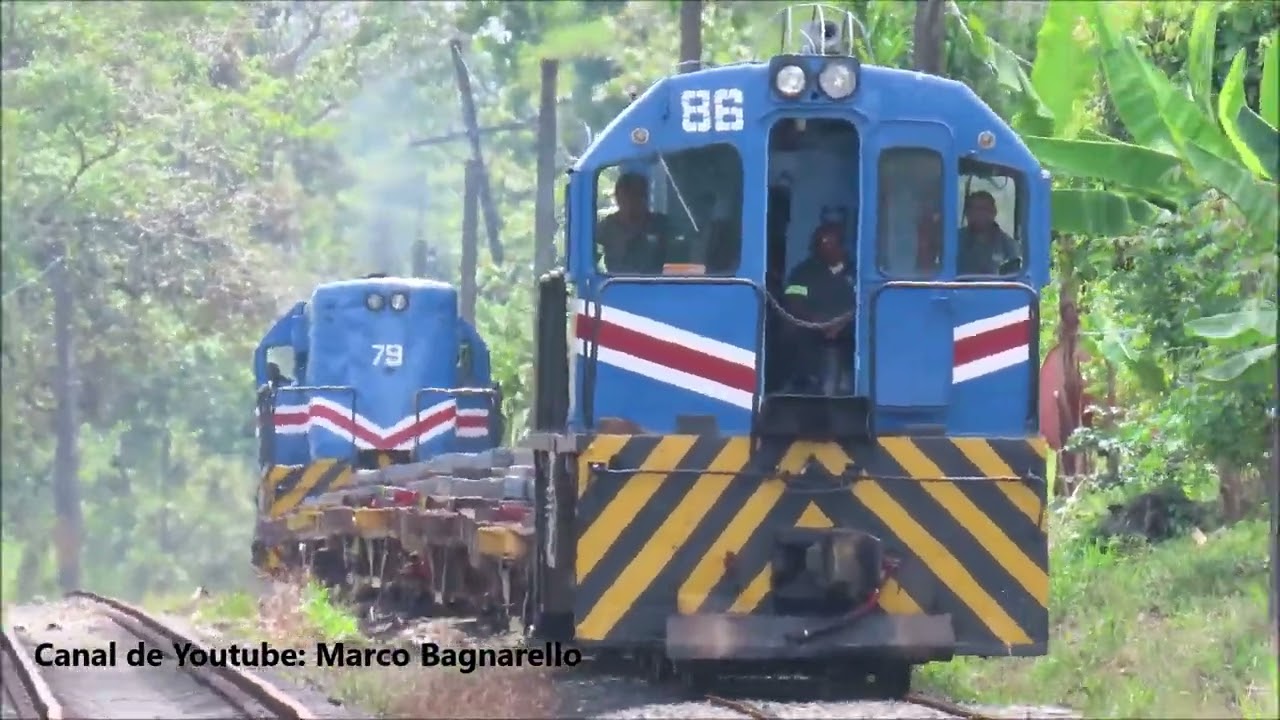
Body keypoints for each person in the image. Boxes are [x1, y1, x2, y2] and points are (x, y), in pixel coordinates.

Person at [781, 222, 855, 394]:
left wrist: (842, 322)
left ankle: (849, 382)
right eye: (822, 243)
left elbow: (864, 302)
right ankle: (804, 382)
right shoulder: (803, 272)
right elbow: (793, 301)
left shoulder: (855, 271)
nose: (827, 247)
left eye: (832, 243)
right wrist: (817, 320)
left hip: (849, 329)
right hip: (814, 328)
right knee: (791, 332)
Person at [595, 172, 674, 274]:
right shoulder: (606, 228)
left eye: (639, 195)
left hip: (657, 285)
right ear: (618, 198)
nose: (633, 202)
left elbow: (681, 256)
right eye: (627, 196)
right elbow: (588, 260)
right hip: (616, 286)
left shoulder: (661, 225)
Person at [957, 191, 1021, 275]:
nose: (979, 214)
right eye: (975, 209)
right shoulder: (954, 240)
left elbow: (1015, 277)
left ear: (994, 212)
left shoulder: (1008, 246)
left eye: (984, 209)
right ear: (967, 213)